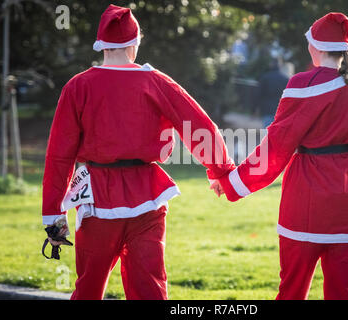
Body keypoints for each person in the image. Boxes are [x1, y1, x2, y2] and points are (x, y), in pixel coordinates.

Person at [42, 4, 234, 300]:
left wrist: (54, 214)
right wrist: (221, 172)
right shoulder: (154, 81)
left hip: (97, 201)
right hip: (147, 197)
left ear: (101, 45)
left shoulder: (78, 86)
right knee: (150, 289)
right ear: (135, 43)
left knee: (89, 289)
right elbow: (199, 125)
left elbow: (59, 154)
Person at [211, 12, 348, 300]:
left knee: (291, 291)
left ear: (314, 47)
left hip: (303, 205)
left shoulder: (301, 85)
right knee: (345, 293)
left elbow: (275, 150)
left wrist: (231, 183)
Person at [256, 60, 290, 128]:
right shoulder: (286, 80)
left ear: (270, 65)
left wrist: (255, 108)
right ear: (280, 66)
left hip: (267, 109)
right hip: (280, 110)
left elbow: (258, 94)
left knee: (267, 133)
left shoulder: (265, 78)